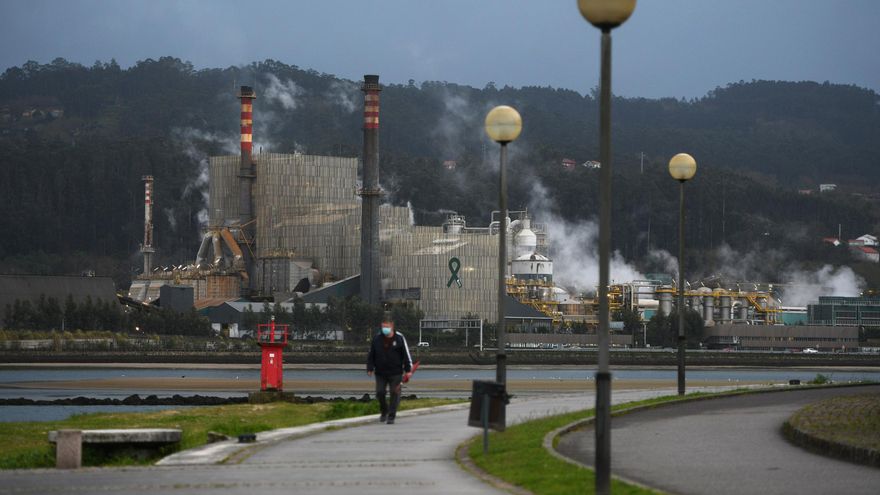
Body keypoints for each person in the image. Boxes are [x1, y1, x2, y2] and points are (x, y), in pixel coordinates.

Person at [366, 322, 413, 424]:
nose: (385, 329)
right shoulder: (377, 339)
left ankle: (391, 416)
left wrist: (408, 370)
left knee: (394, 393)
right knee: (380, 392)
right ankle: (384, 411)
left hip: (396, 372)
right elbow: (371, 354)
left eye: (387, 327)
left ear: (392, 326)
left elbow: (406, 355)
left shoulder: (399, 338)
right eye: (383, 326)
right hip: (380, 372)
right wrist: (369, 368)